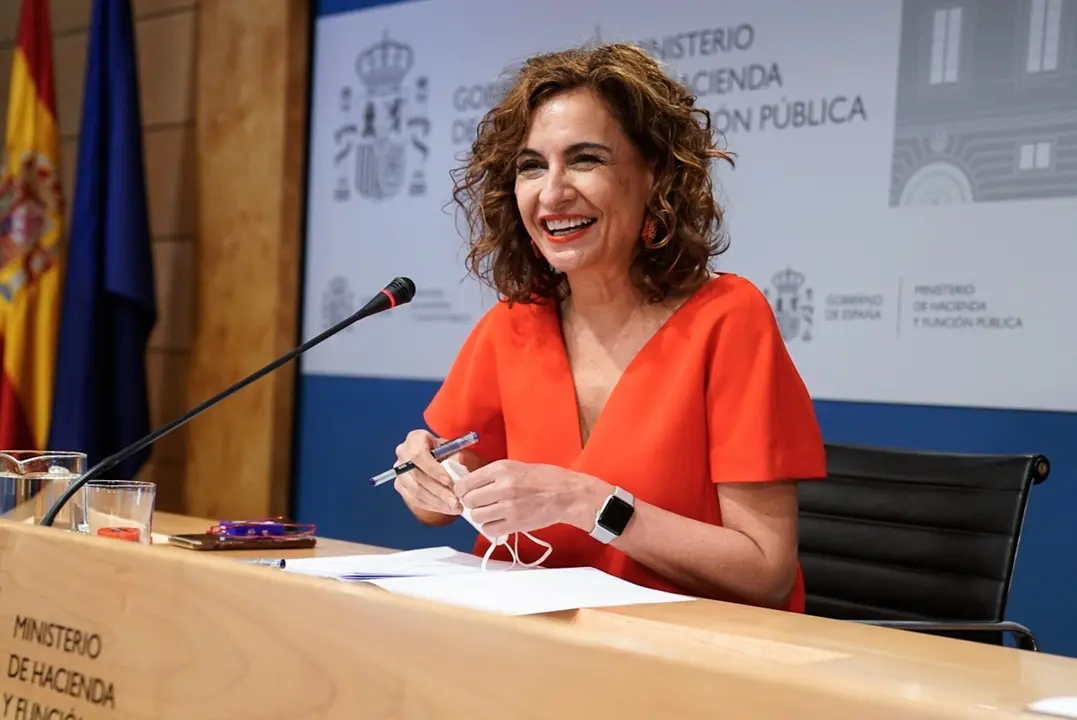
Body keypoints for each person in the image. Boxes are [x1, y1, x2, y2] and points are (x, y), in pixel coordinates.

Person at [392, 43, 827, 612]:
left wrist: (589, 502)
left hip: (683, 668)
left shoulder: (727, 319)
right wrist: (425, 474)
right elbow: (437, 502)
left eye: (585, 160)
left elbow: (764, 570)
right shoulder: (512, 327)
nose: (552, 192)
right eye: (531, 166)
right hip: (529, 654)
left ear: (655, 176)